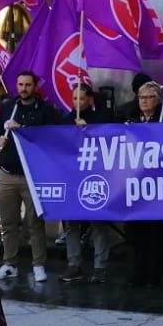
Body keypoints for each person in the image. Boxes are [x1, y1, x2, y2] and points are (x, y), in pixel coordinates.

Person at [0, 71, 66, 283]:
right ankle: (9, 263)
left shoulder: (45, 111)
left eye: (28, 85)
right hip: (6, 174)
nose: (23, 88)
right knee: (8, 223)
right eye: (20, 84)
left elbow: (52, 137)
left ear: (35, 86)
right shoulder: (7, 107)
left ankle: (38, 264)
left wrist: (23, 130)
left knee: (34, 223)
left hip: (32, 176)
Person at [62, 82, 117, 283]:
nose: (78, 102)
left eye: (82, 99)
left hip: (95, 176)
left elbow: (109, 140)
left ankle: (100, 267)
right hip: (71, 178)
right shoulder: (65, 119)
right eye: (75, 98)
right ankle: (73, 264)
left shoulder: (100, 118)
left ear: (89, 100)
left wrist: (90, 130)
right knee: (71, 224)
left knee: (98, 222)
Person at [122, 82, 163, 287]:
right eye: (141, 97)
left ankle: (155, 274)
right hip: (135, 186)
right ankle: (138, 271)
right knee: (137, 233)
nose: (143, 101)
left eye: (148, 97)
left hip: (159, 187)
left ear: (157, 100)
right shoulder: (130, 121)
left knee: (156, 234)